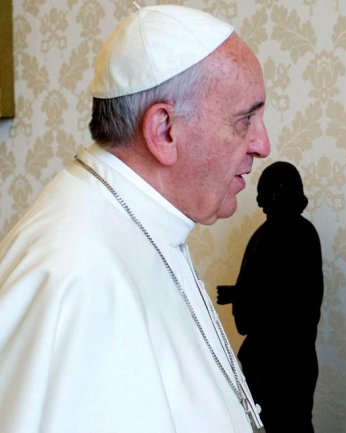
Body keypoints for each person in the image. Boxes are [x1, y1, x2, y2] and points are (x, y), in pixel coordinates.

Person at [0, 5, 271, 433]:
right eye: (245, 120)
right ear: (164, 130)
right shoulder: (79, 275)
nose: (263, 144)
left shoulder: (143, 222)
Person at [218, 161, 324, 433]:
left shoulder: (300, 234)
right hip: (264, 358)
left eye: (269, 191)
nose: (262, 200)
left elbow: (296, 300)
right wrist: (240, 295)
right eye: (263, 192)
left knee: (290, 423)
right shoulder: (265, 234)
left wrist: (241, 295)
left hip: (287, 361)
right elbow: (268, 288)